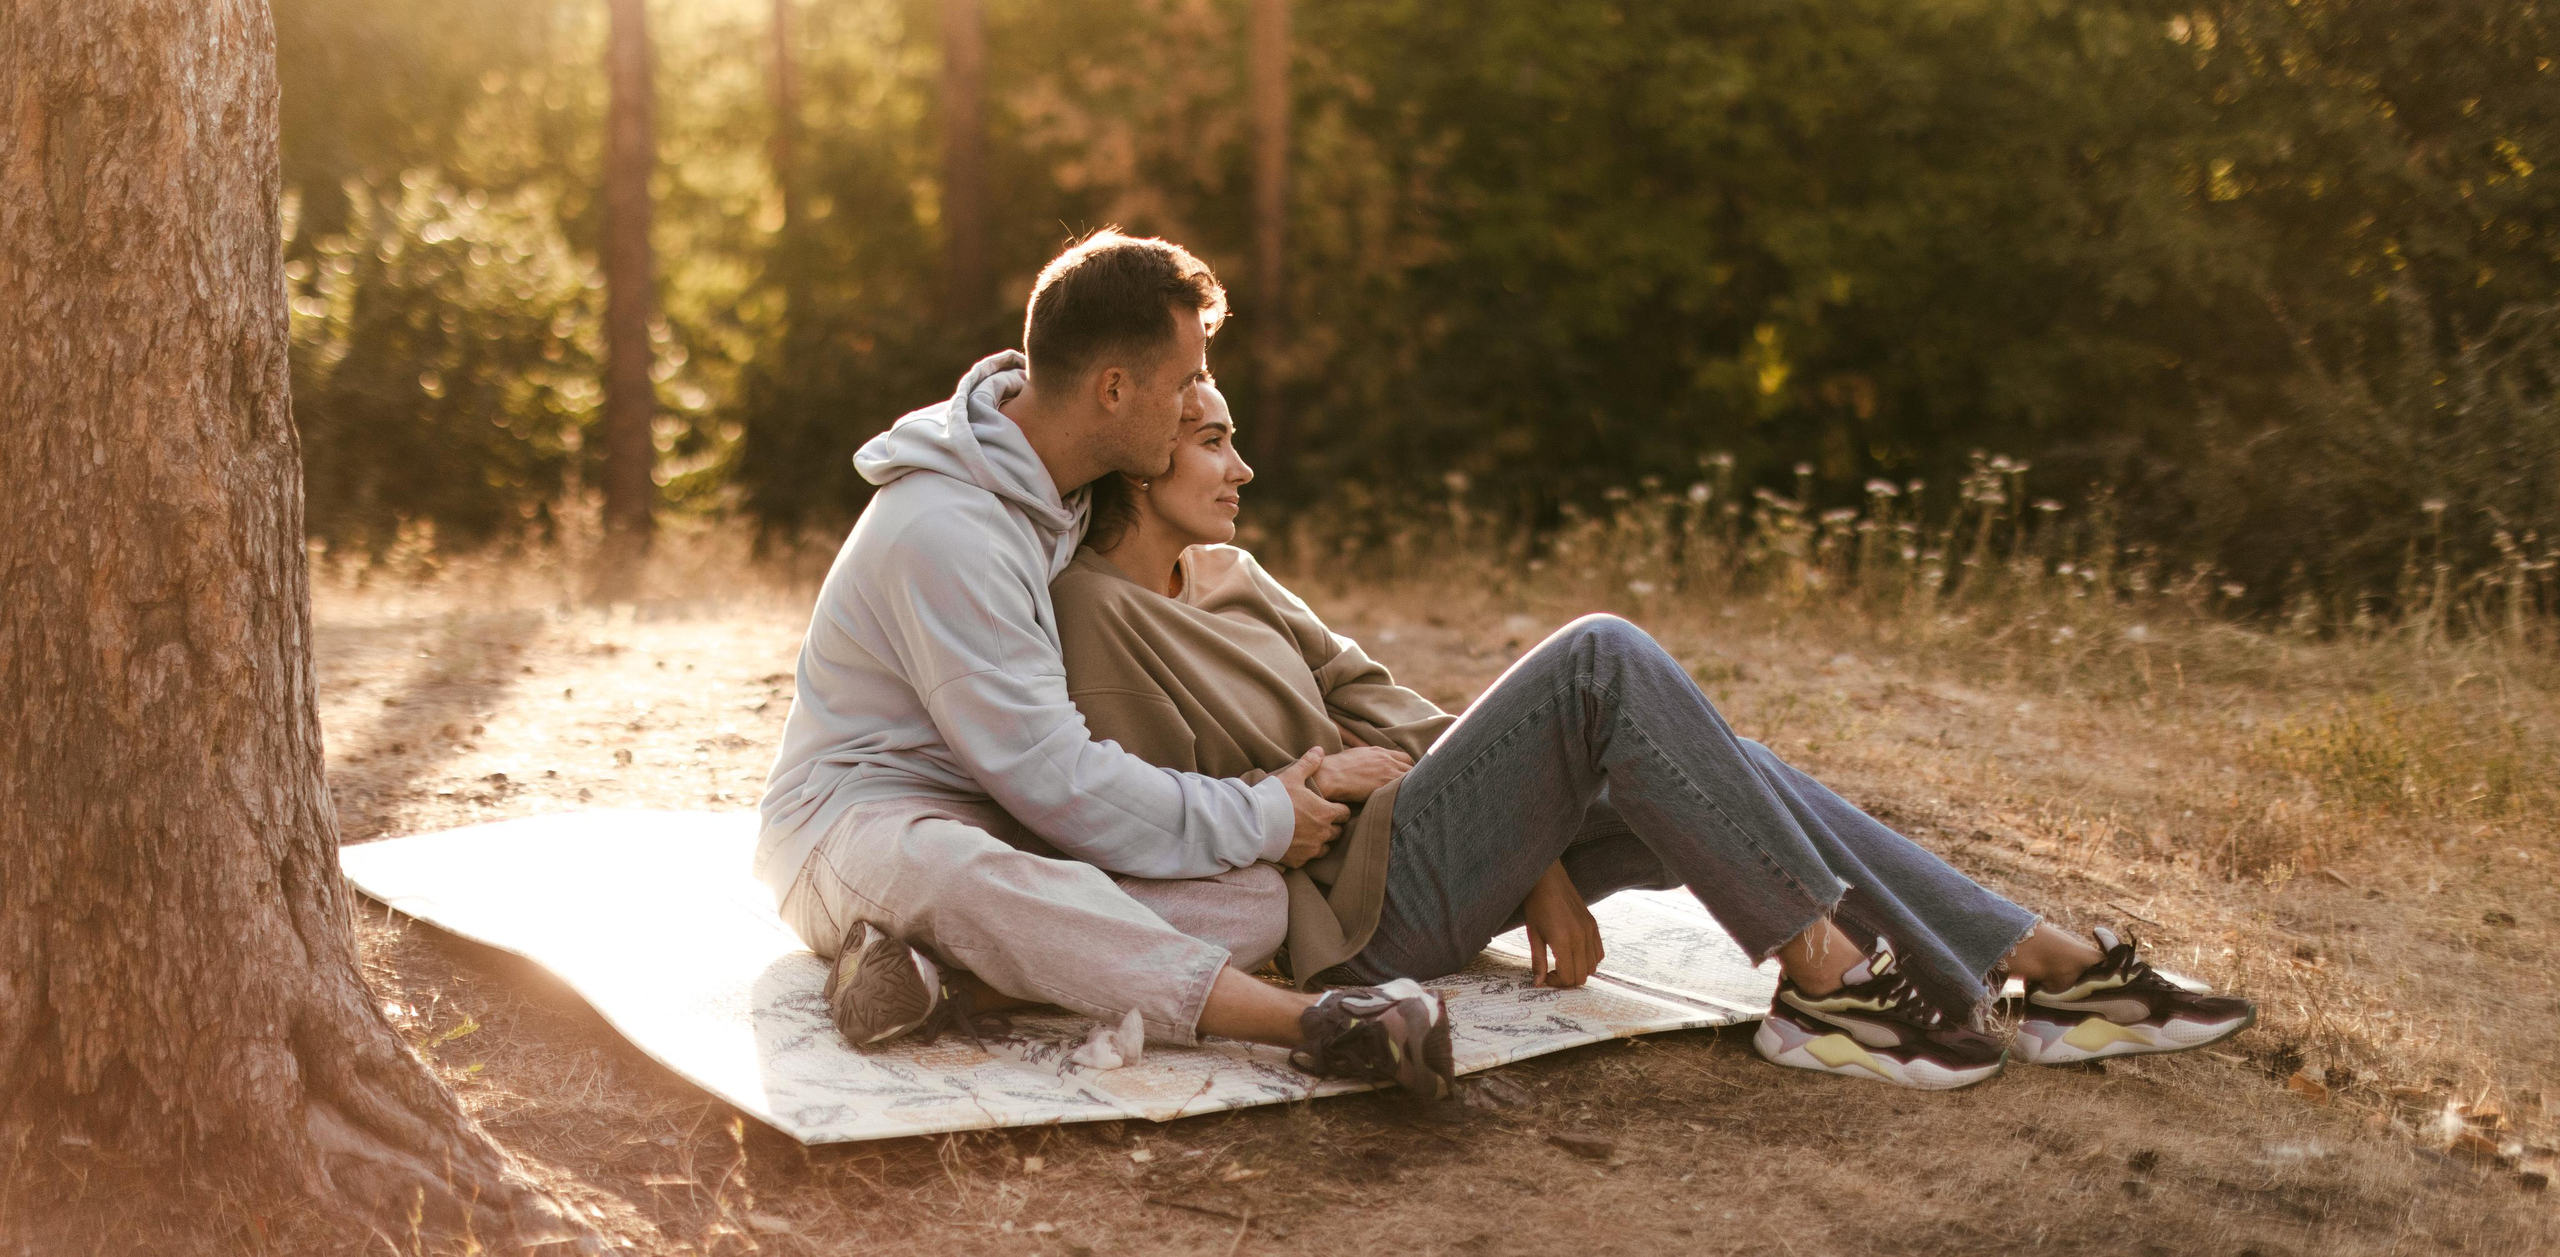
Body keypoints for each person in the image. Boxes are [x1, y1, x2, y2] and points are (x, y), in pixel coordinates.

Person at [1048, 381, 2259, 1094]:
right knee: (1599, 658)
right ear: (1144, 452)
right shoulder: (1095, 617)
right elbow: (1154, 822)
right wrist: (1309, 777)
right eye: (1212, 439)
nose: (1242, 463)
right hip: (1358, 915)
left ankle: (2037, 968)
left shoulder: (1230, 573)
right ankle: (1828, 982)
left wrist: (1542, 864)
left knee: (1717, 770)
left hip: (1427, 841)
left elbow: (1400, 715)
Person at [755, 232, 1450, 1096]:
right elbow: (1058, 779)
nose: (1199, 399)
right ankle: (1314, 1025)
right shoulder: (946, 529)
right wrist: (1264, 809)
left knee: (1252, 900)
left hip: (1004, 820)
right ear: (1114, 390)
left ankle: (947, 979)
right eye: (1188, 379)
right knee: (961, 873)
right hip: (857, 829)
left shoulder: (1066, 486)